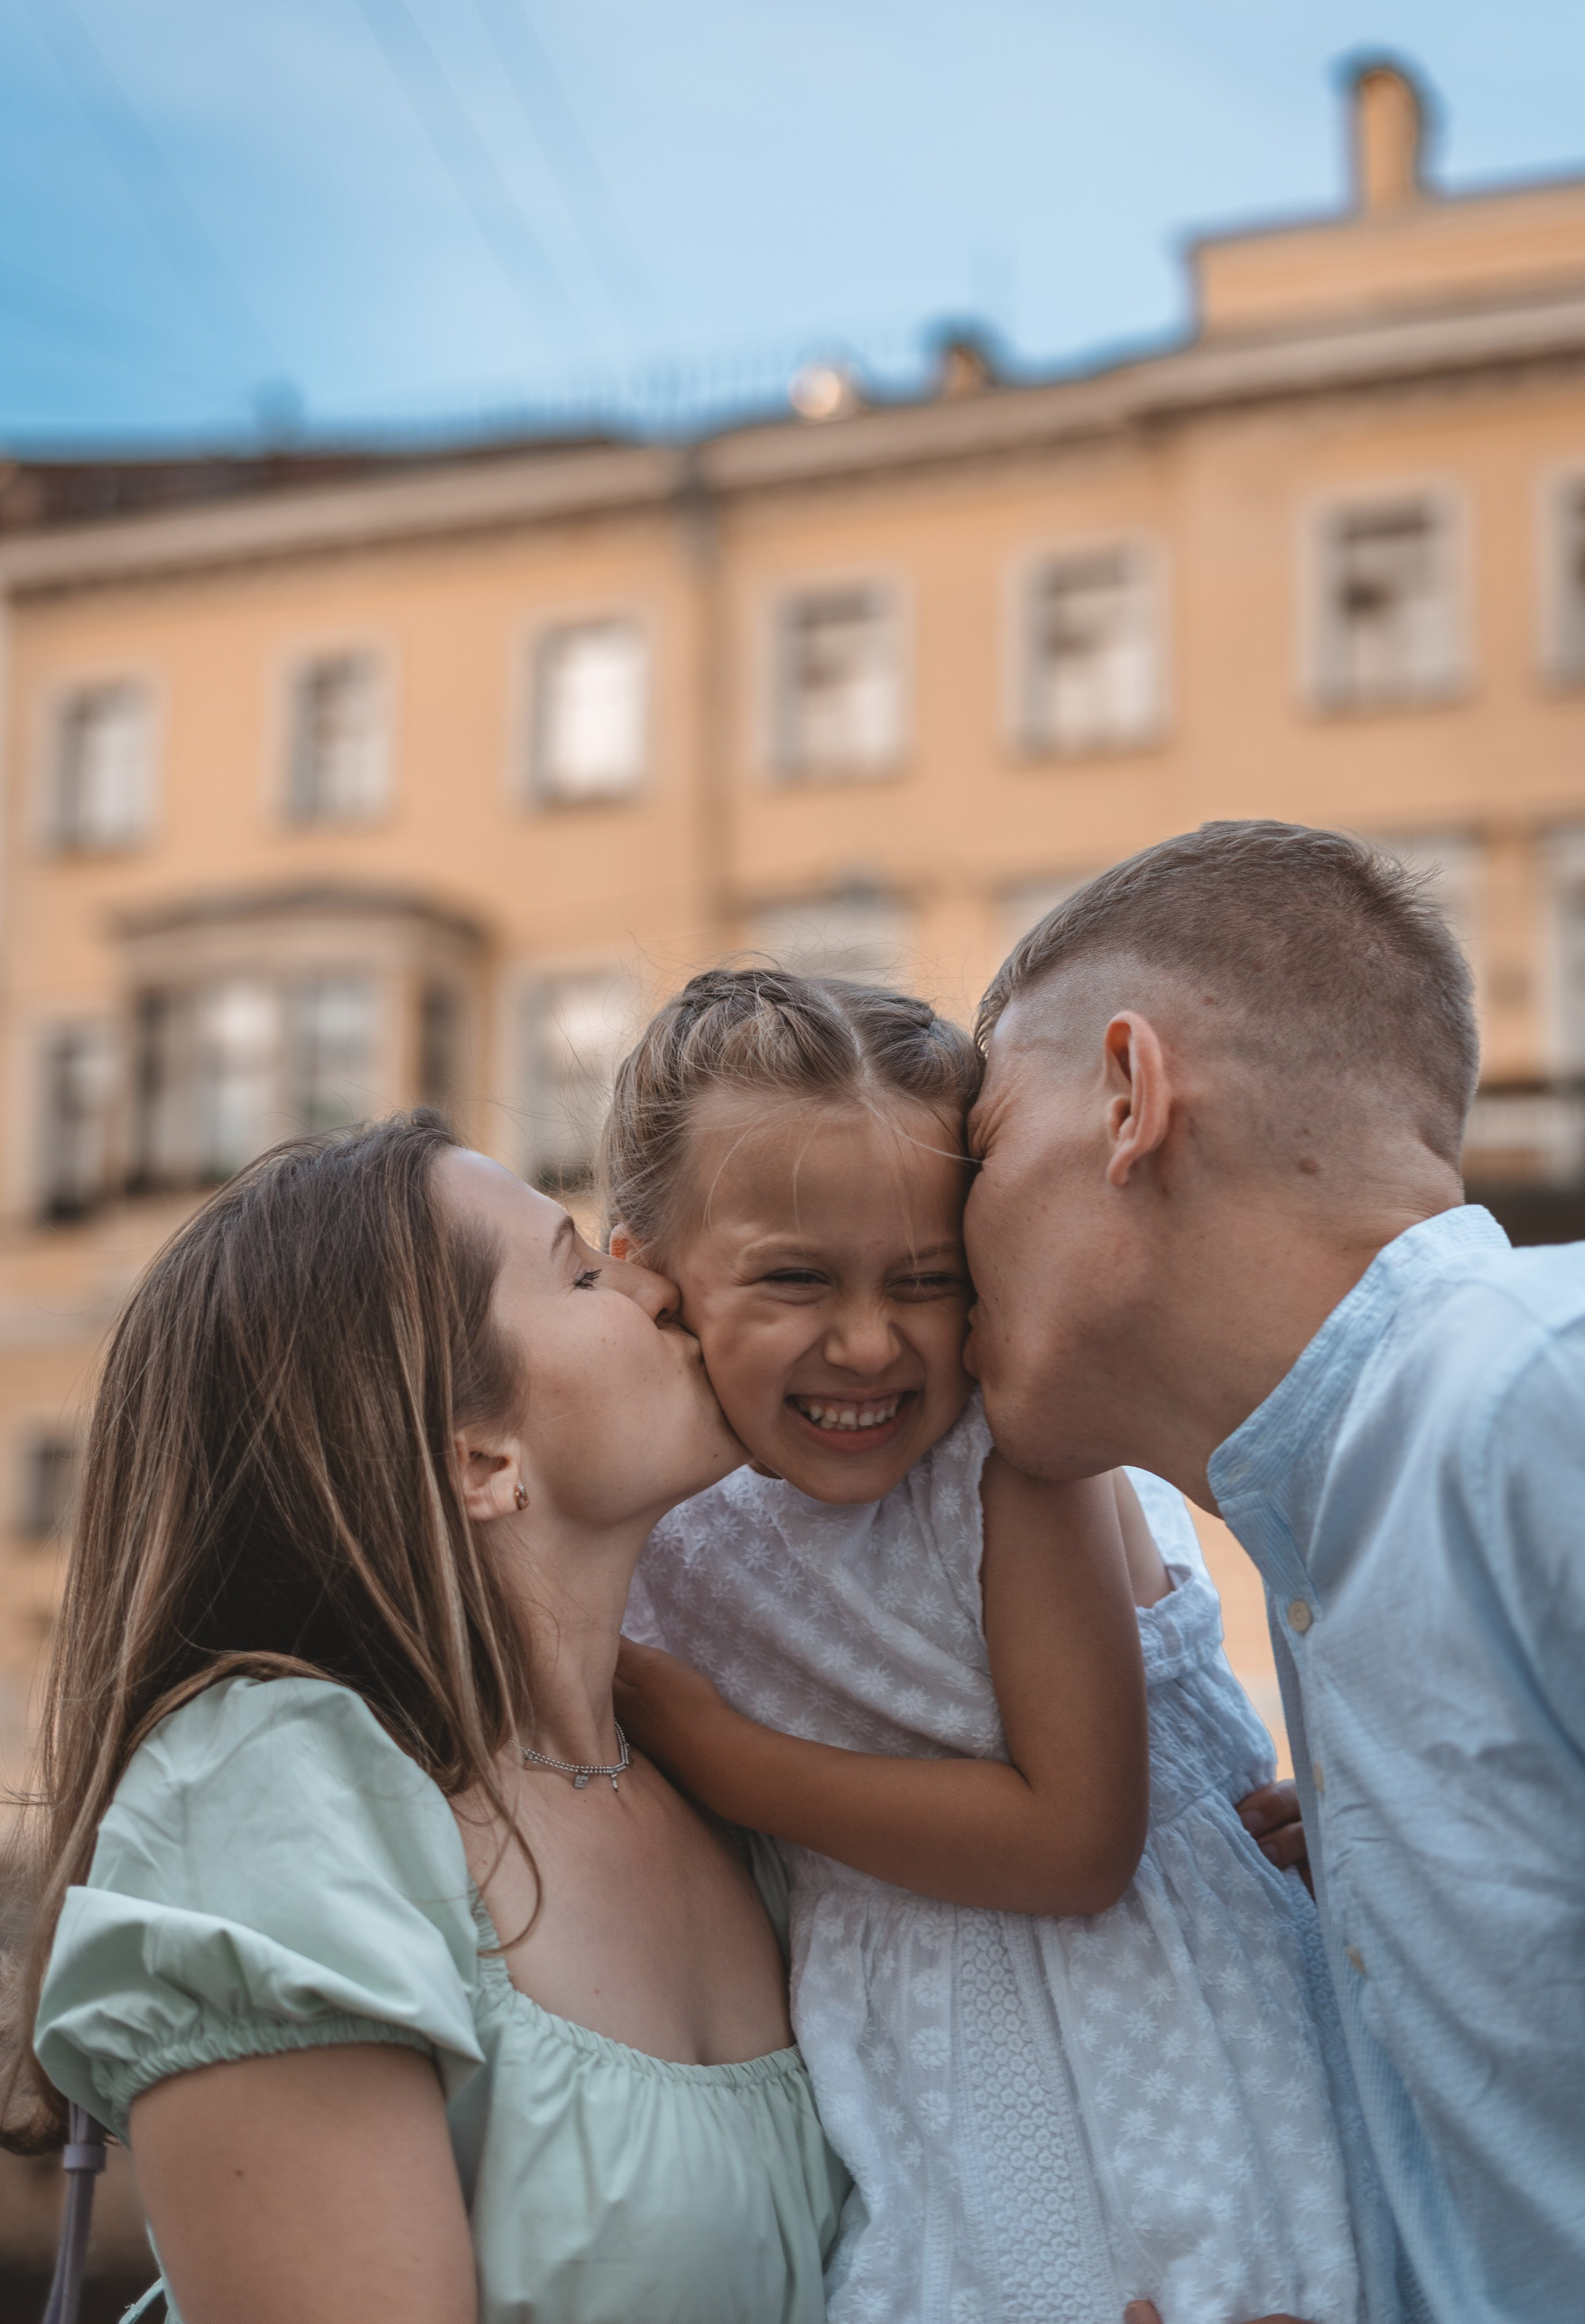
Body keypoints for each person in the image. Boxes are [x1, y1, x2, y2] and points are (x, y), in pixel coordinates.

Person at [609, 968, 1399, 2324]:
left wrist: (719, 1755)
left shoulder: (1013, 1449)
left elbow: (1075, 1841)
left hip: (1162, 2031)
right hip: (914, 2074)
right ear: (648, 1281)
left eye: (926, 1282)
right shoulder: (657, 1515)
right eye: (795, 1278)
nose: (866, 1343)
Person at [3, 1112, 846, 2324]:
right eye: (577, 1269)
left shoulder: (726, 1774)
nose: (653, 1281)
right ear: (477, 1457)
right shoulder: (274, 1795)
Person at [966, 820, 1585, 2324]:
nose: (940, 1238)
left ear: (1129, 1096)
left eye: (974, 1154)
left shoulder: (1532, 1393)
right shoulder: (1349, 1524)